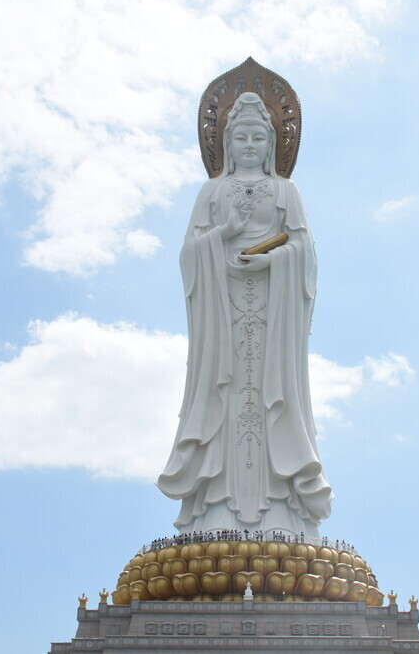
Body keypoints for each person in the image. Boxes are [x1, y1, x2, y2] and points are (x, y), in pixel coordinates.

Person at [157, 92, 333, 537]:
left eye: (258, 136)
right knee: (227, 395)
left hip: (273, 317)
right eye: (241, 137)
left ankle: (283, 514)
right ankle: (214, 511)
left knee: (271, 395)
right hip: (223, 320)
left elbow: (305, 253)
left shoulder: (286, 191)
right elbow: (188, 256)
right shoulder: (212, 191)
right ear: (227, 144)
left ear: (272, 145)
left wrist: (276, 260)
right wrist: (226, 234)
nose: (250, 144)